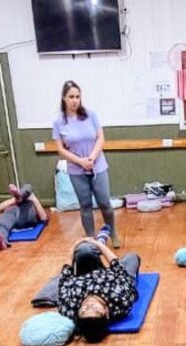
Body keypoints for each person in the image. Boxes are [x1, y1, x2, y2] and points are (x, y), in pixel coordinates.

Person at [53, 80, 119, 246]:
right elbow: (60, 149)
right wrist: (80, 162)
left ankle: (113, 233)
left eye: (77, 96)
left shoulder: (91, 115)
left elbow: (100, 138)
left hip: (97, 165)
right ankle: (91, 239)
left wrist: (92, 157)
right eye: (71, 97)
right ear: (64, 98)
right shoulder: (58, 122)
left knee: (105, 202)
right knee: (85, 205)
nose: (75, 100)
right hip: (76, 169)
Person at [54, 232, 140, 343]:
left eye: (84, 311)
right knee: (131, 257)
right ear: (106, 312)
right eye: (95, 309)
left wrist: (72, 249)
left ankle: (95, 244)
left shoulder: (69, 307)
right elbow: (118, 267)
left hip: (85, 273)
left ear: (78, 314)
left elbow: (65, 274)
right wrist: (99, 245)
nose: (89, 306)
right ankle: (101, 240)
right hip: (114, 277)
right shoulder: (119, 300)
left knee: (83, 250)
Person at [0, 183, 49, 251]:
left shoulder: (31, 202)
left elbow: (44, 218)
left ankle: (20, 194)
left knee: (28, 186)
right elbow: (0, 207)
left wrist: (33, 198)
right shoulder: (13, 202)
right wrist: (16, 200)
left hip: (26, 215)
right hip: (13, 217)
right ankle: (2, 242)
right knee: (4, 221)